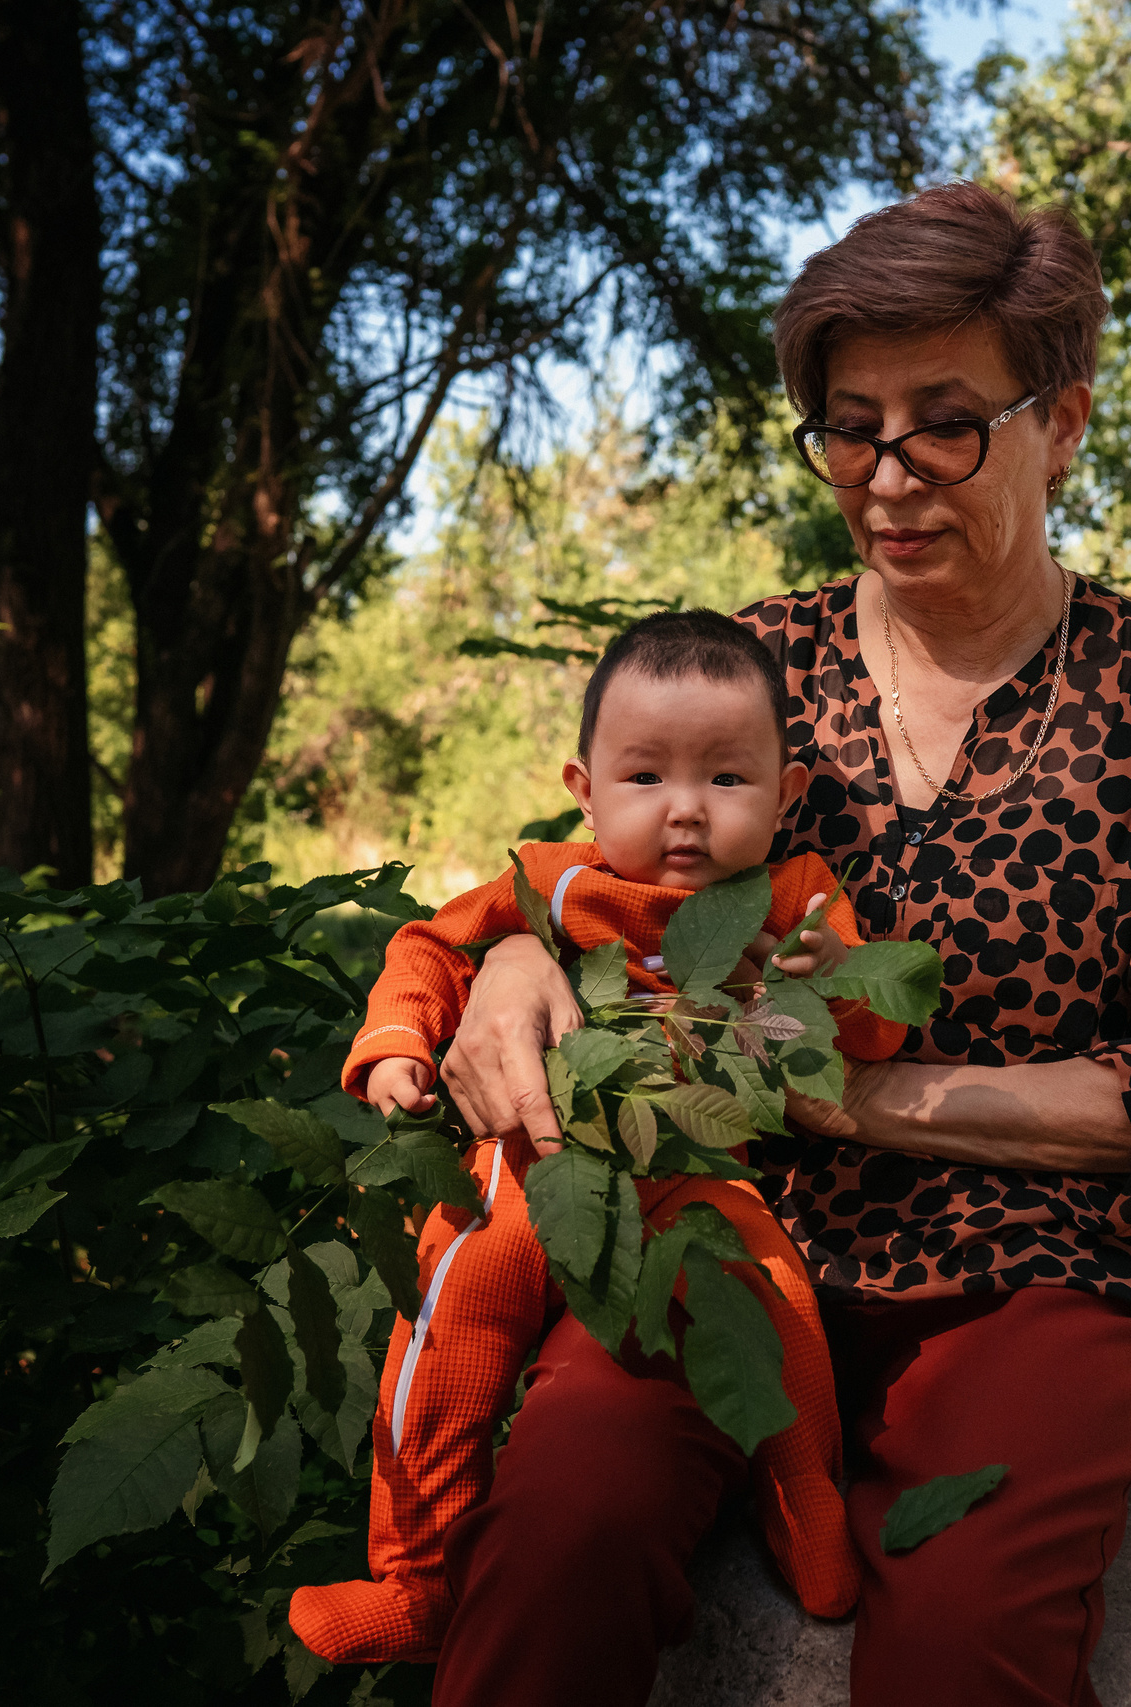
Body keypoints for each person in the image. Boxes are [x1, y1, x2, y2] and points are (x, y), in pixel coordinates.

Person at [430, 182, 1131, 1706]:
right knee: (562, 1514)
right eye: (852, 424)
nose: (887, 476)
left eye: (944, 422)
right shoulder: (760, 661)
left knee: (965, 1640)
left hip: (1037, 1273)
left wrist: (871, 1099)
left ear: (1065, 420)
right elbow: (587, 874)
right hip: (731, 1237)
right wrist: (512, 961)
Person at [286, 611, 907, 1666]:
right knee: (446, 1332)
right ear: (583, 789)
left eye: (725, 780)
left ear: (786, 793)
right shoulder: (552, 883)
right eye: (643, 777)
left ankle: (805, 1511)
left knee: (773, 1301)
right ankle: (420, 1580)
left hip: (688, 1167)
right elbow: (427, 950)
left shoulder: (798, 897)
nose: (683, 813)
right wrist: (395, 1049)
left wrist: (823, 986)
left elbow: (875, 1023)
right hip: (531, 1165)